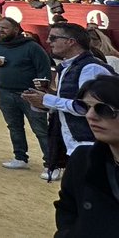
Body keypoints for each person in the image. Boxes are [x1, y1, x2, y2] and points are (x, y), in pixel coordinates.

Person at [22, 22, 115, 181]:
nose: (49, 41)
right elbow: (68, 104)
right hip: (74, 144)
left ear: (71, 41)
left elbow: (85, 107)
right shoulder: (69, 67)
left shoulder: (90, 68)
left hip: (90, 144)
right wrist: (44, 101)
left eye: (53, 38)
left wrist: (47, 99)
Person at [54, 75, 119, 235]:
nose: (90, 116)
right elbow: (67, 210)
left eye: (104, 110)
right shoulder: (82, 159)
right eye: (85, 107)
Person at [0, 17, 52, 173]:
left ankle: (51, 164)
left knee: (41, 130)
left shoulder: (31, 46)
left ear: (16, 30)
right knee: (14, 127)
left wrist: (41, 90)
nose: (0, 30)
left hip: (29, 93)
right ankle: (20, 158)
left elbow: (44, 68)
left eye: (5, 28)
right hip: (4, 92)